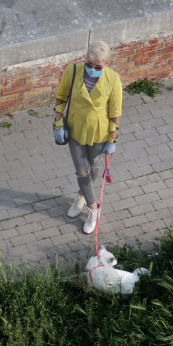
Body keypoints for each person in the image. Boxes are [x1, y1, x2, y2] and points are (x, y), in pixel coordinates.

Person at [53, 41, 122, 233]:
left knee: (93, 168)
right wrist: (58, 121)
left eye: (97, 67)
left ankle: (82, 195)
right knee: (81, 171)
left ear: (107, 64)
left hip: (99, 131)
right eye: (89, 65)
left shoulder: (113, 79)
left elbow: (115, 110)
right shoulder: (73, 71)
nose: (92, 69)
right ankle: (94, 207)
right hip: (75, 128)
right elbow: (61, 95)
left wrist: (112, 139)